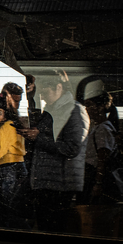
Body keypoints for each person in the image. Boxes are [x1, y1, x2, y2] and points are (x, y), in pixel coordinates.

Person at [19, 70, 89, 232]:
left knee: (54, 230)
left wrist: (38, 138)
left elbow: (72, 148)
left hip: (58, 187)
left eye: (45, 91)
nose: (42, 96)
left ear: (59, 87)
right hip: (45, 184)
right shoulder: (51, 111)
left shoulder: (74, 111)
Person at [0, 95, 28, 228]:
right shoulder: (12, 125)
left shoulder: (5, 128)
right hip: (17, 166)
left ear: (1, 112)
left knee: (6, 207)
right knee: (12, 206)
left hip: (8, 169)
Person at [77, 81, 117, 205]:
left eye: (89, 105)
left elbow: (102, 158)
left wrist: (98, 183)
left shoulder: (103, 129)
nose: (86, 109)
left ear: (100, 107)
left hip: (93, 176)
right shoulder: (97, 127)